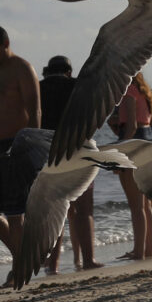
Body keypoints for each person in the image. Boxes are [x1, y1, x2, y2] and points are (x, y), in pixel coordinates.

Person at [0, 23, 42, 257]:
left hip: (17, 145)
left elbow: (35, 112)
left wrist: (30, 149)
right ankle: (23, 258)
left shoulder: (22, 69)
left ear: (6, 44)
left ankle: (19, 267)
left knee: (15, 213)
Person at [39, 56, 100, 271]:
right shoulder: (77, 86)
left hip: (49, 153)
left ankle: (53, 265)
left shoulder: (38, 89)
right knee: (84, 211)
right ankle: (89, 260)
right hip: (78, 149)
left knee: (56, 211)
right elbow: (91, 118)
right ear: (69, 71)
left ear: (47, 71)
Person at [110, 74, 152, 261]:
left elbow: (130, 126)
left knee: (136, 205)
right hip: (147, 142)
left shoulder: (128, 91)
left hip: (133, 144)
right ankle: (149, 249)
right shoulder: (143, 91)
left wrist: (119, 153)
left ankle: (139, 251)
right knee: (148, 203)